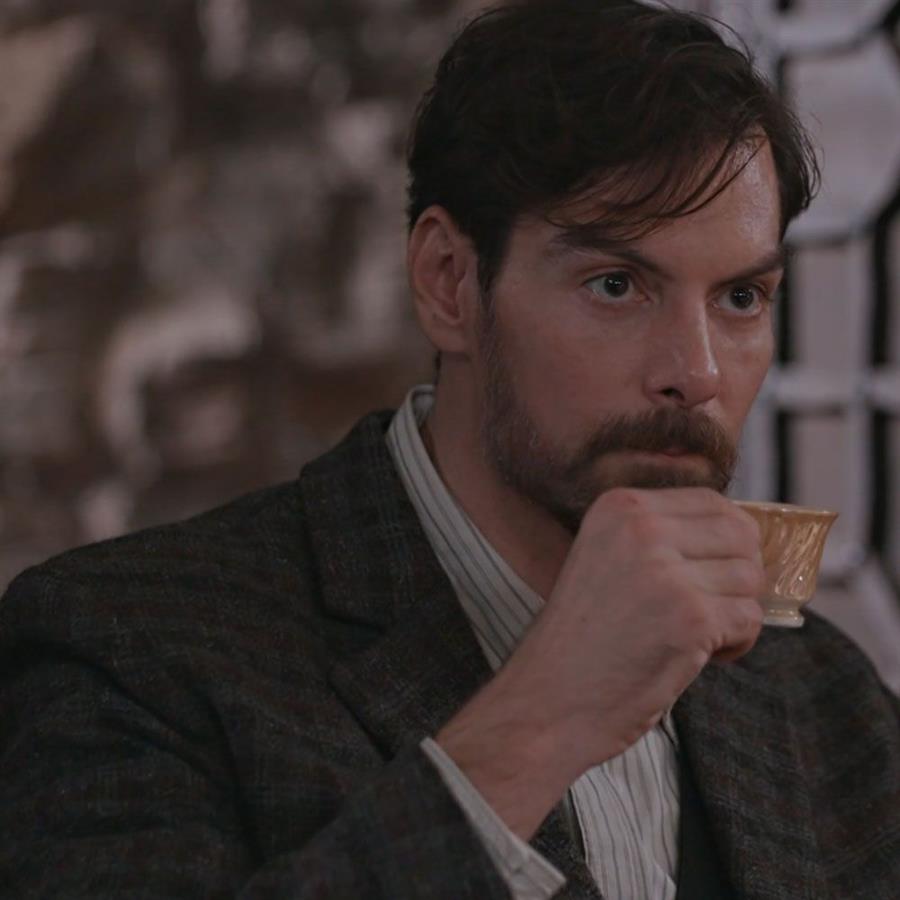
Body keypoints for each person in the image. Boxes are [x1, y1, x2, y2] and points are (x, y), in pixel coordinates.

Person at [1, 0, 898, 897]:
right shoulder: (128, 651)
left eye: (740, 299)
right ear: (448, 283)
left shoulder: (825, 698)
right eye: (617, 284)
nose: (696, 373)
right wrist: (543, 717)